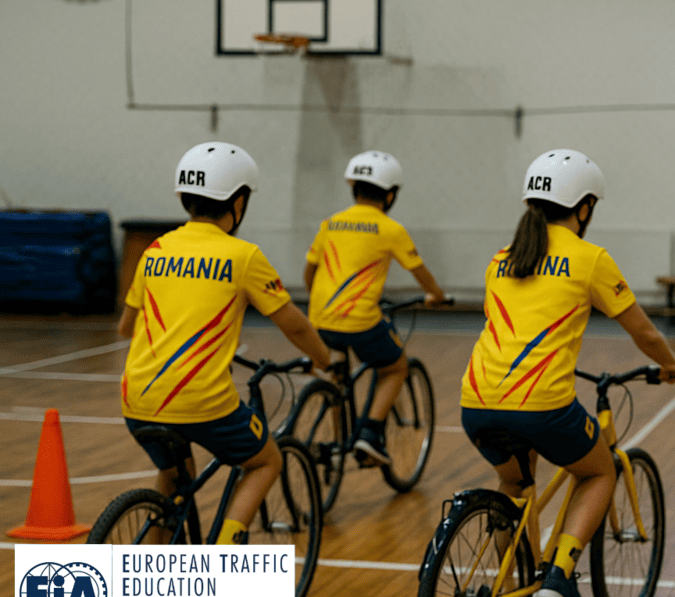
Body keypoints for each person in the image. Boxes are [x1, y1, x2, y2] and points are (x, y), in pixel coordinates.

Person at [460, 148, 675, 597]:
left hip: (477, 400)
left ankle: (510, 582)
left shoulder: (502, 259)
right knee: (600, 471)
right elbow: (645, 333)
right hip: (540, 404)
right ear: (584, 207)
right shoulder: (589, 259)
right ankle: (560, 575)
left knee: (514, 482)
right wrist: (671, 364)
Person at [118, 141, 331, 545]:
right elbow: (294, 325)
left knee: (174, 480)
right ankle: (223, 553)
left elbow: (126, 328)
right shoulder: (243, 256)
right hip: (201, 403)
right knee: (266, 461)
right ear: (239, 202)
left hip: (138, 400)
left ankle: (147, 566)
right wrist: (324, 359)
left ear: (184, 197)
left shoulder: (155, 250)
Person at [304, 150, 446, 466]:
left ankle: (339, 446)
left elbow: (309, 272)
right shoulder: (390, 229)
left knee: (338, 379)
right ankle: (369, 434)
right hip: (360, 322)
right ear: (390, 195)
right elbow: (420, 272)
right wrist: (436, 295)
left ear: (354, 188)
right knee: (395, 367)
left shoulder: (331, 224)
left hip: (321, 319)